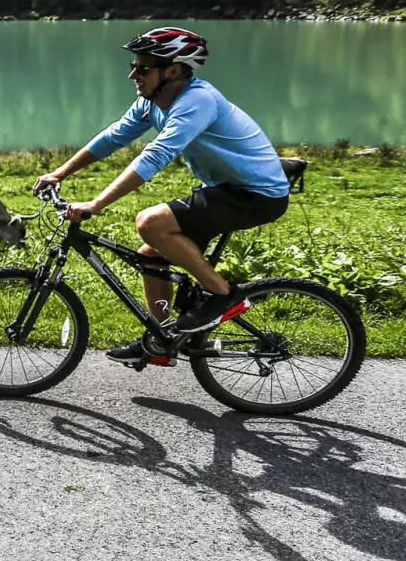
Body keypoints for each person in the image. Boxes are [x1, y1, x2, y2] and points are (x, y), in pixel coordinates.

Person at [32, 27, 290, 363]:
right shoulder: (152, 102)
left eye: (142, 68)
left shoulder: (197, 101)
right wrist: (59, 173)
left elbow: (156, 155)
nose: (133, 75)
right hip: (227, 190)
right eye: (133, 66)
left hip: (257, 194)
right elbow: (113, 137)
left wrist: (96, 204)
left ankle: (221, 295)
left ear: (173, 71)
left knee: (151, 222)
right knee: (151, 255)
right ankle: (162, 340)